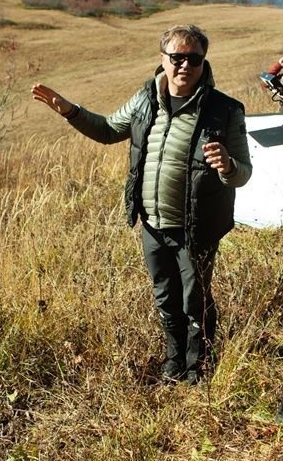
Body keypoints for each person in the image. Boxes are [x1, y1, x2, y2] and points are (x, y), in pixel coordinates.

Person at [31, 24, 252, 385]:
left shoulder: (224, 110)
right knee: (166, 297)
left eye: (193, 58)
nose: (185, 65)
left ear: (203, 62)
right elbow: (106, 130)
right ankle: (173, 361)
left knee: (194, 300)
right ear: (162, 59)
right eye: (177, 57)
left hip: (196, 227)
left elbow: (243, 173)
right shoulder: (144, 99)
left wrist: (227, 165)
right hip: (151, 222)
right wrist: (71, 111)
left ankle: (199, 368)